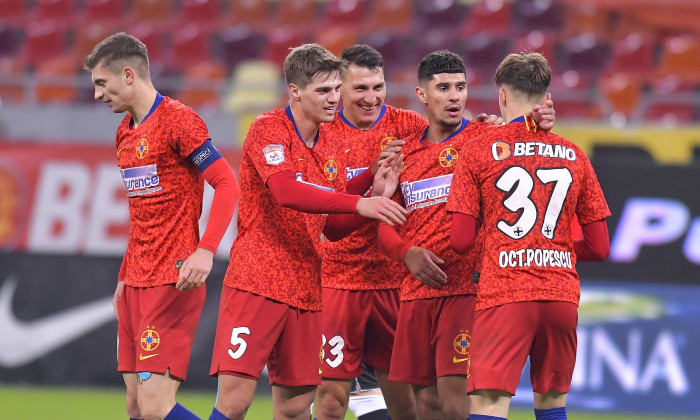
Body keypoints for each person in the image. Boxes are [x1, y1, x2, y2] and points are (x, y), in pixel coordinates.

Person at [208, 44, 407, 420]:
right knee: (234, 403)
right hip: (257, 281)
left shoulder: (331, 140)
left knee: (298, 407)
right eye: (323, 91)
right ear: (295, 91)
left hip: (306, 287)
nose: (334, 99)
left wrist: (372, 187)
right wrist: (359, 202)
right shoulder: (269, 128)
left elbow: (331, 227)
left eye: (336, 89)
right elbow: (286, 191)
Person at [376, 50, 557, 420]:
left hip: (468, 289)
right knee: (425, 402)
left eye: (460, 87)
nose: (455, 96)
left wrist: (543, 122)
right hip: (415, 293)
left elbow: (534, 144)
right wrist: (406, 253)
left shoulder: (488, 136)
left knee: (458, 400)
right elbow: (384, 226)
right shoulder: (403, 154)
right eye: (443, 88)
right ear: (422, 94)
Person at [446, 52, 611, 420]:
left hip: (505, 293)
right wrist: (553, 249)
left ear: (501, 95)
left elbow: (459, 240)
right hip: (561, 297)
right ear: (545, 97)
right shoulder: (574, 155)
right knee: (552, 404)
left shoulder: (478, 150)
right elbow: (600, 248)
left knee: (489, 404)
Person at [84, 32, 240, 420]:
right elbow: (142, 214)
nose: (97, 95)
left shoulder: (178, 120)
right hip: (135, 282)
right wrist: (124, 274)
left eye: (102, 83)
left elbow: (227, 183)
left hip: (171, 280)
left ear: (128, 74)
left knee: (155, 407)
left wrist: (205, 249)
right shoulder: (124, 132)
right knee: (136, 405)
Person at [315, 44, 426, 420]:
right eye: (360, 88)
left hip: (394, 283)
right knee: (330, 402)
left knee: (406, 406)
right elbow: (325, 219)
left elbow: (458, 137)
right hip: (337, 281)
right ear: (339, 89)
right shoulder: (321, 133)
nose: (371, 97)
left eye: (378, 87)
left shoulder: (408, 127)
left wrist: (502, 123)